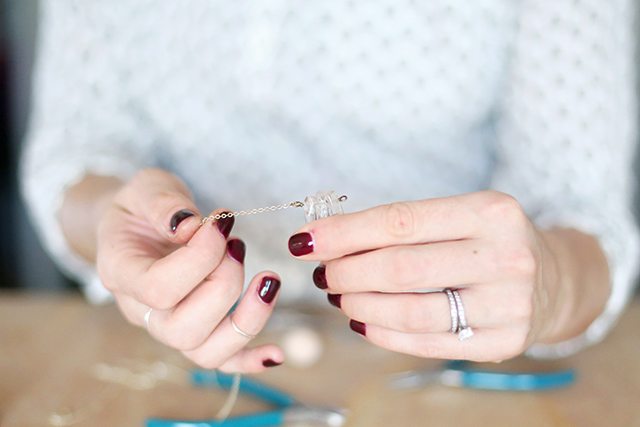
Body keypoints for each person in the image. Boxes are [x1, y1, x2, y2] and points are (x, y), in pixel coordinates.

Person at [21, 1, 639, 373]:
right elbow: (76, 149)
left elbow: (581, 209)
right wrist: (116, 222)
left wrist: (550, 282)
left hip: (456, 369)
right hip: (153, 355)